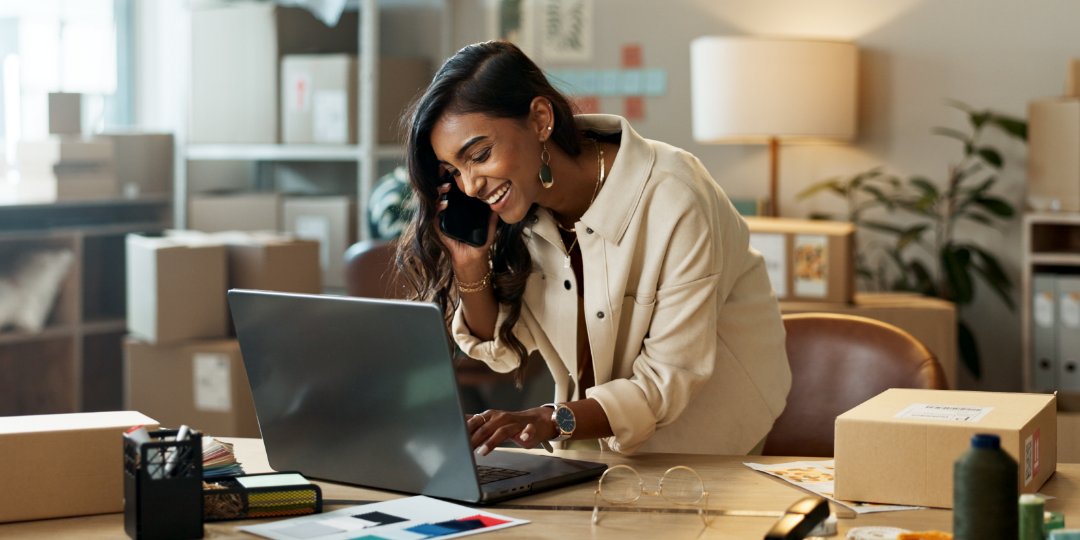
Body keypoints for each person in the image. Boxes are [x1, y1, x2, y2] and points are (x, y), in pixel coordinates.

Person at [396, 40, 791, 456]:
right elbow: (502, 353)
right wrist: (469, 264)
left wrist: (548, 419)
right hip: (591, 442)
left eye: (480, 155)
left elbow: (667, 379)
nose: (471, 185)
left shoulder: (673, 195)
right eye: (454, 171)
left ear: (540, 120)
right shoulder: (522, 211)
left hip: (708, 440)